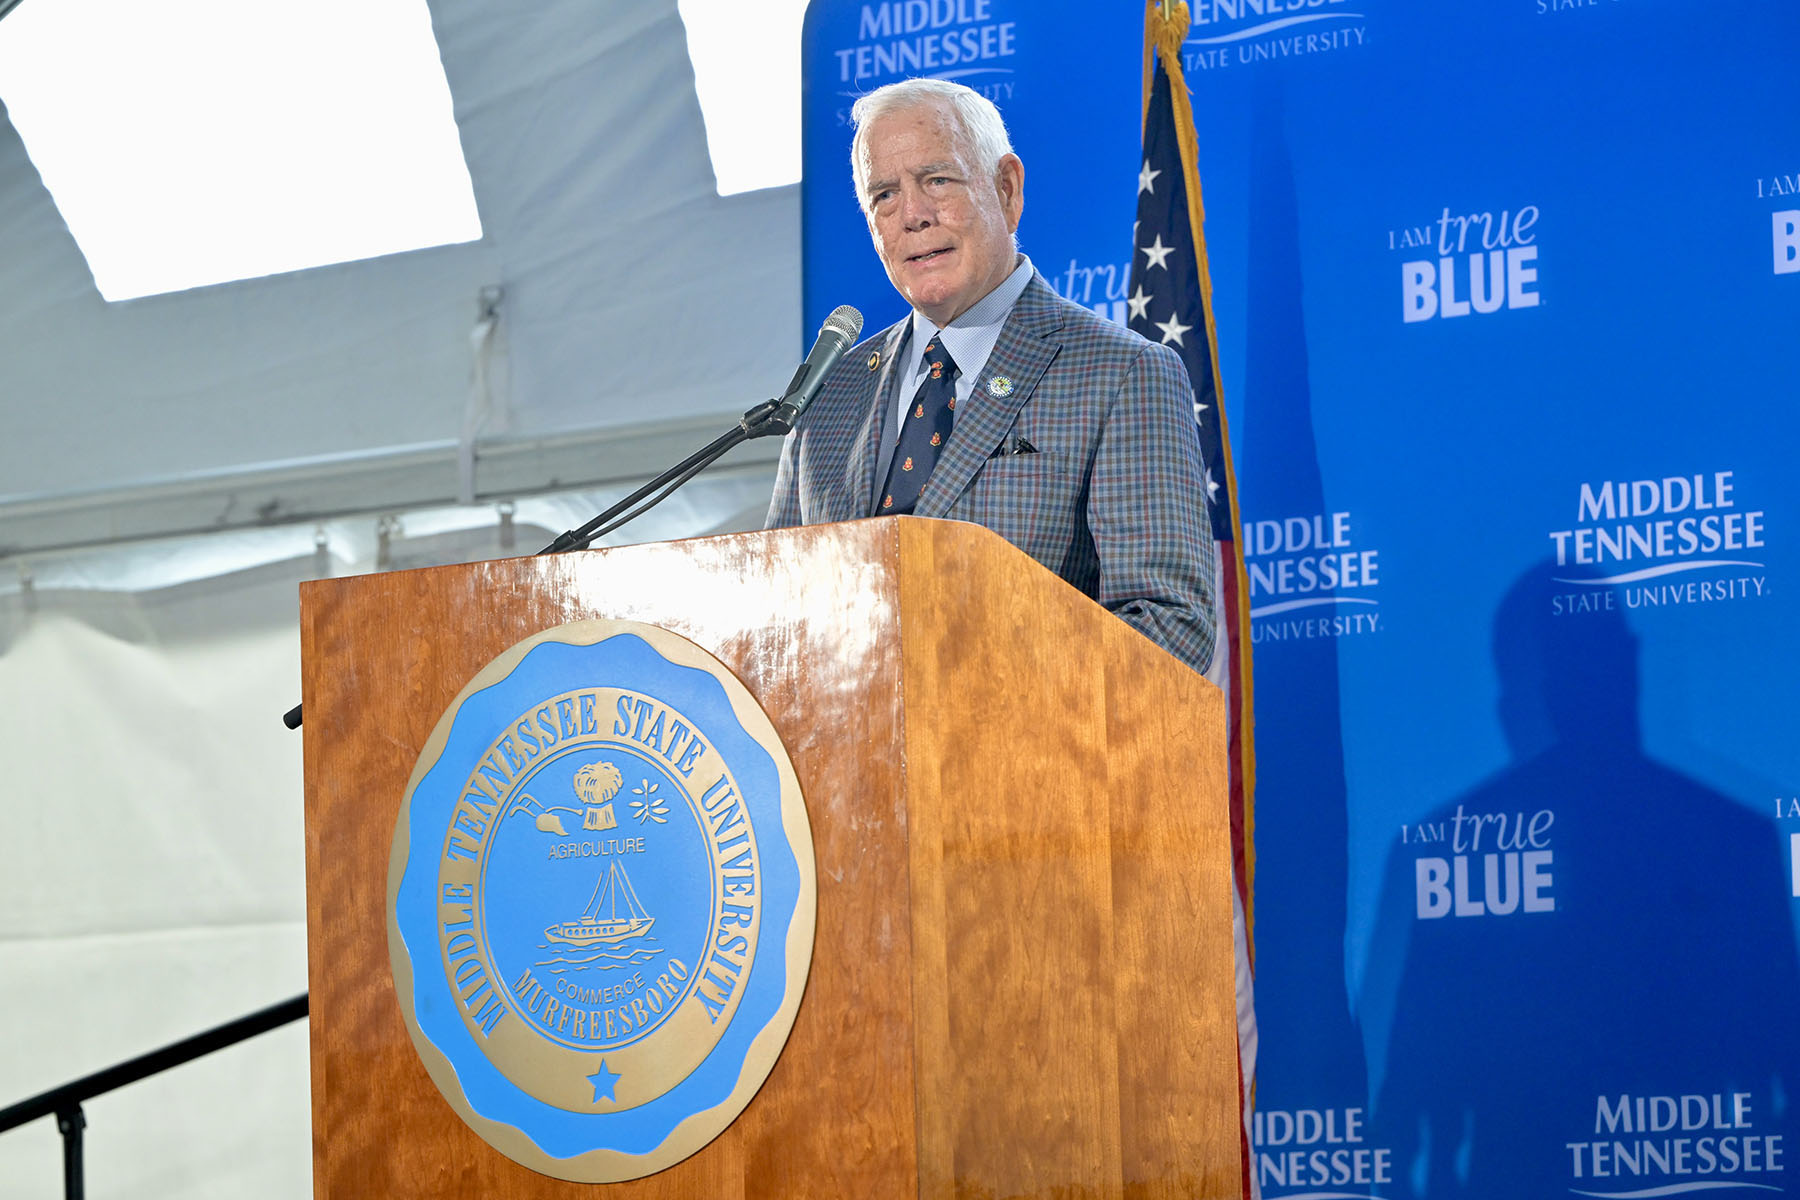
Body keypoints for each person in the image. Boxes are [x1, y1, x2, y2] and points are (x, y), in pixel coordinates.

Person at [765, 77, 1218, 675]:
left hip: (1028, 733)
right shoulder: (825, 398)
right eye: (885, 195)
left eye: (937, 180)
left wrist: (976, 685)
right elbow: (774, 621)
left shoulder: (1121, 374)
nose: (913, 216)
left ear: (1007, 189)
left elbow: (1169, 628)